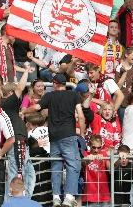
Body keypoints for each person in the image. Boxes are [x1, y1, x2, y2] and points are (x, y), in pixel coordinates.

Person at [23, 74, 86, 207]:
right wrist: (82, 134)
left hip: (54, 138)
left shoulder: (49, 96)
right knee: (73, 165)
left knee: (56, 166)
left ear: (55, 84)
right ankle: (68, 197)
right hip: (68, 136)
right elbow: (80, 116)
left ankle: (56, 197)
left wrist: (24, 112)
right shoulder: (73, 95)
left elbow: (36, 108)